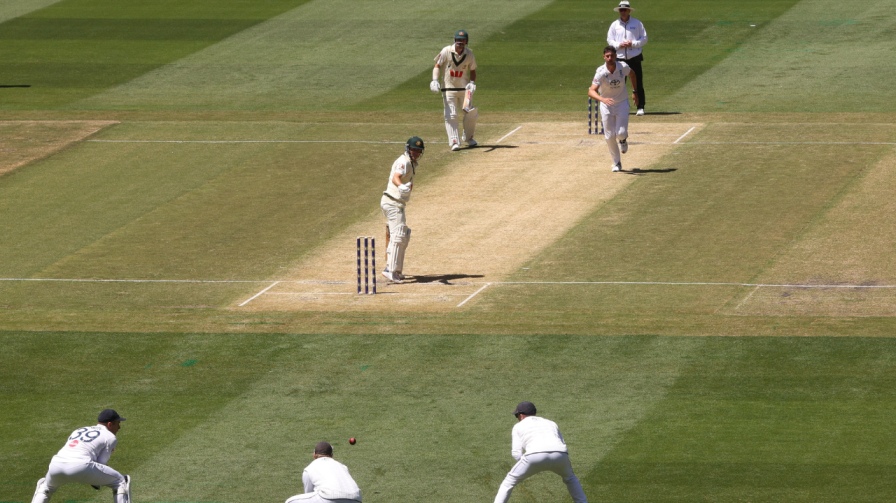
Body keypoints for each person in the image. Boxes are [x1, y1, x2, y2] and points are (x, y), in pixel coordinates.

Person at [493, 402, 588, 503]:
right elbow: (562, 443)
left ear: (521, 415)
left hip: (533, 456)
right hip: (560, 454)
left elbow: (516, 453)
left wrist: (530, 466)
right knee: (570, 478)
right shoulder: (551, 423)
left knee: (508, 482)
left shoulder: (518, 426)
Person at [31, 409, 131, 503]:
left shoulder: (79, 430)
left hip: (56, 465)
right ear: (110, 424)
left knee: (45, 487)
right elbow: (101, 463)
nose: (119, 427)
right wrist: (96, 481)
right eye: (118, 423)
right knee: (121, 481)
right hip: (81, 466)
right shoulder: (110, 437)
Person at [380, 136, 424, 283]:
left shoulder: (410, 162)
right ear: (408, 149)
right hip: (392, 202)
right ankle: (389, 270)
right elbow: (395, 177)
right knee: (398, 236)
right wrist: (400, 186)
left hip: (397, 204)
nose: (416, 153)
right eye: (414, 150)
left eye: (419, 151)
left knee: (403, 236)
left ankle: (396, 270)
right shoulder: (404, 161)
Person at [588, 46, 637, 172]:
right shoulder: (601, 72)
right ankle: (616, 163)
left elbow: (632, 74)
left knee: (620, 132)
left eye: (612, 56)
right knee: (609, 136)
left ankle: (623, 140)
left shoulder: (623, 67)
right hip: (606, 105)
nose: (610, 58)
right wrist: (602, 100)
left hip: (621, 103)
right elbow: (591, 90)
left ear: (616, 56)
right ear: (604, 57)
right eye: (607, 56)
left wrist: (635, 92)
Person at [430, 29, 478, 151]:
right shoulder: (446, 51)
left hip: (464, 89)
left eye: (462, 40)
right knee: (451, 115)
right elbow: (437, 65)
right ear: (454, 40)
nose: (459, 42)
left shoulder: (469, 54)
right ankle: (454, 141)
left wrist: (472, 83)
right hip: (448, 89)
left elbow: (472, 70)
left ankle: (468, 138)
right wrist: (435, 80)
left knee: (470, 113)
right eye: (457, 40)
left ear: (466, 42)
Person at [606, 0, 647, 116]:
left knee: (638, 82)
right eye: (621, 10)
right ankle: (618, 106)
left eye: (625, 10)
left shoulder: (637, 23)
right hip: (619, 57)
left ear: (629, 11)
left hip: (634, 56)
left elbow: (644, 39)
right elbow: (610, 40)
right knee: (619, 82)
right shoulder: (614, 25)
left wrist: (632, 44)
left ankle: (640, 107)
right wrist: (619, 45)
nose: (623, 12)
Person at [285, 441, 362, 503]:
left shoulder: (309, 468)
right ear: (331, 455)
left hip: (328, 497)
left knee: (290, 501)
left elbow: (309, 493)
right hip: (356, 499)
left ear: (314, 455)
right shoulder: (343, 466)